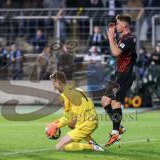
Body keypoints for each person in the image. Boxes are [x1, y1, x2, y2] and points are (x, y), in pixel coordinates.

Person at [102, 14, 137, 146]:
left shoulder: (130, 38)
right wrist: (114, 38)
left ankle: (115, 133)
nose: (116, 26)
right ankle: (119, 127)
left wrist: (111, 38)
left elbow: (116, 52)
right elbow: (116, 51)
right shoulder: (123, 38)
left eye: (118, 24)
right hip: (119, 74)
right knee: (105, 101)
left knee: (115, 102)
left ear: (125, 25)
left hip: (125, 74)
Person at [48, 71, 104, 151]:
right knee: (72, 125)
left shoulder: (65, 95)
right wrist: (57, 122)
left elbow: (69, 118)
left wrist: (56, 126)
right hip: (92, 120)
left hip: (86, 124)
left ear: (57, 82)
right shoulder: (77, 89)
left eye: (53, 83)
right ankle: (93, 143)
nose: (54, 86)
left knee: (59, 147)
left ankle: (93, 147)